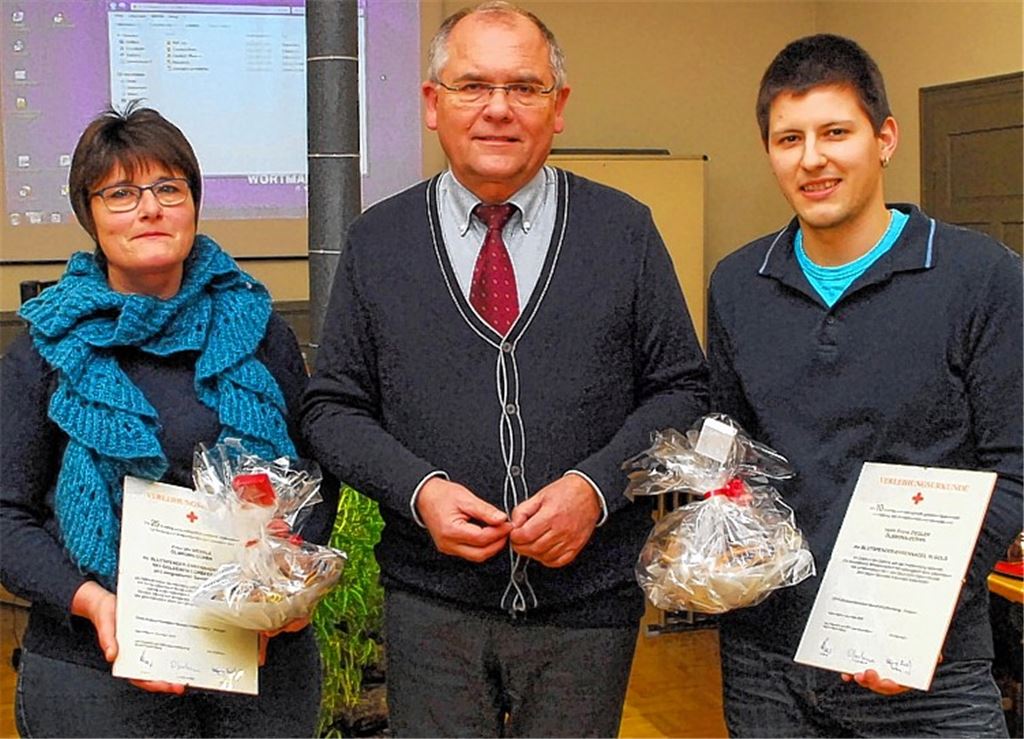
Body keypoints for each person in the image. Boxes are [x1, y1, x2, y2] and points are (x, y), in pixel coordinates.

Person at [301, 2, 708, 736]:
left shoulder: (625, 231)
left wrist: (595, 488)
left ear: (559, 109)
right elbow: (332, 408)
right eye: (471, 86)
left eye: (524, 88)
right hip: (432, 610)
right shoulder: (379, 242)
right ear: (432, 104)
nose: (497, 110)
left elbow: (682, 388)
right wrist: (419, 492)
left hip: (588, 613)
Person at [707, 33, 1023, 737]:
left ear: (884, 138)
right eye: (789, 137)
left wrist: (921, 611)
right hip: (767, 664)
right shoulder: (736, 284)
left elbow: (1015, 466)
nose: (812, 158)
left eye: (835, 132)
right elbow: (730, 455)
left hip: (926, 669)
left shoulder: (981, 277)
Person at [0, 104, 337, 737]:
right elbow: (4, 516)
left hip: (259, 660)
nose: (149, 208)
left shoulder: (258, 330)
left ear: (194, 204)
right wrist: (95, 603)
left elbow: (314, 472)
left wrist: (289, 582)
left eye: (168, 189)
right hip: (97, 667)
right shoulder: (46, 349)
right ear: (90, 216)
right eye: (121, 193)